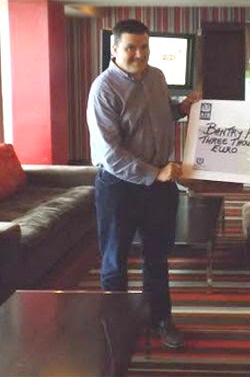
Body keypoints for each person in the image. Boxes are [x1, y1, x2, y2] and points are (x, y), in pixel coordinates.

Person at [87, 19, 200, 349]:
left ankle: (160, 319)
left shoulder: (157, 77)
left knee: (157, 257)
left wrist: (181, 108)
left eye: (144, 47)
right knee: (114, 261)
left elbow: (158, 114)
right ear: (114, 49)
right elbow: (110, 153)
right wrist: (154, 173)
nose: (139, 54)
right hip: (118, 188)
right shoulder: (103, 89)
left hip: (159, 188)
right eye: (131, 48)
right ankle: (116, 328)